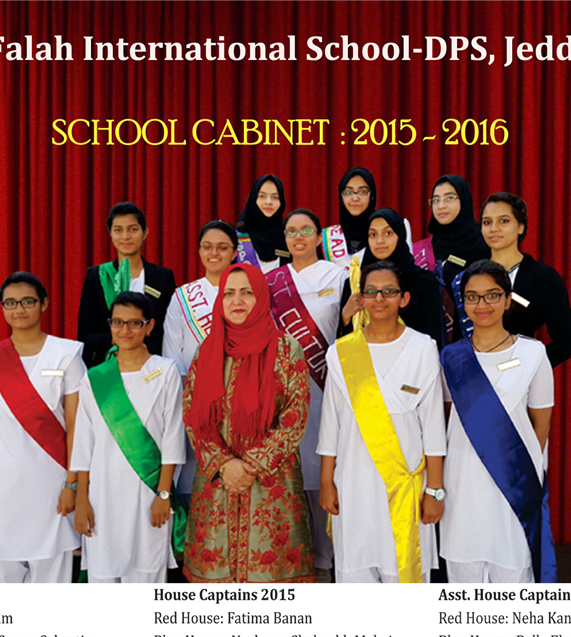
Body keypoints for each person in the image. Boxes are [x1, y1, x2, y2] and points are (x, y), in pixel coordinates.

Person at [183, 264, 314, 583]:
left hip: (271, 485)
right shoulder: (206, 351)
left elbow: (295, 416)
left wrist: (249, 467)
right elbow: (193, 415)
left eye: (247, 293)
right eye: (228, 293)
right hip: (218, 484)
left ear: (262, 298)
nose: (237, 301)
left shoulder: (286, 349)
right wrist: (224, 465)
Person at [318, 262, 446, 583]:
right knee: (356, 574)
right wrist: (326, 482)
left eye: (389, 291)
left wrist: (435, 489)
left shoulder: (423, 348)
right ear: (360, 298)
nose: (379, 299)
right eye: (371, 292)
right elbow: (331, 423)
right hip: (353, 482)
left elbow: (433, 425)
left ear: (404, 298)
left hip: (405, 484)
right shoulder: (341, 352)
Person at [0, 272, 83, 583]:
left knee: (51, 580)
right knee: (1, 579)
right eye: (11, 303)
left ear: (44, 304)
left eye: (28, 301)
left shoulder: (67, 355)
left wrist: (72, 485)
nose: (19, 309)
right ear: (2, 307)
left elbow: (76, 425)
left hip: (52, 482)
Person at [440, 260, 555, 583]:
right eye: (473, 297)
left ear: (507, 300)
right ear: (463, 303)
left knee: (514, 576)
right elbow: (447, 420)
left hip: (515, 485)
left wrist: (517, 469)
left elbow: (541, 423)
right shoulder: (450, 357)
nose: (482, 304)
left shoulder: (534, 354)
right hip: (463, 483)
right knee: (464, 580)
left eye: (492, 295)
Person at [71, 292, 185, 583]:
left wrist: (163, 495)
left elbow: (173, 438)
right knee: (103, 577)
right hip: (102, 497)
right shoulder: (95, 378)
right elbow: (84, 444)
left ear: (149, 326)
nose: (125, 330)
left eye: (135, 323)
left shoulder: (165, 372)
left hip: (148, 494)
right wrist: (81, 499)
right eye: (118, 322)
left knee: (146, 576)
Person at [266, 208, 349, 581]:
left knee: (326, 470)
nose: (298, 237)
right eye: (291, 231)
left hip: (329, 386)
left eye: (306, 230)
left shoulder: (340, 275)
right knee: (292, 475)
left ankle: (327, 562)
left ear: (319, 236)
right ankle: (293, 561)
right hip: (285, 392)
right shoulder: (271, 282)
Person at [162, 220, 238, 503]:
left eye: (222, 247)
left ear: (235, 252)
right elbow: (173, 355)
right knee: (197, 485)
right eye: (207, 247)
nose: (214, 253)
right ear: (199, 251)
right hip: (195, 404)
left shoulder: (248, 293)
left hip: (240, 403)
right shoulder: (183, 297)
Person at [474, 192, 571, 367]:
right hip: (471, 377)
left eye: (503, 221)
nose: (494, 228)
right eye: (487, 222)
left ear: (520, 227)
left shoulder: (544, 278)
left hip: (520, 378)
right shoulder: (469, 275)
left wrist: (520, 366)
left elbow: (566, 343)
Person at [77, 201, 176, 366]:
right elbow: (86, 335)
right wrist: (120, 339)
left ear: (145, 233)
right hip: (108, 367)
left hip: (151, 365)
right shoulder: (97, 276)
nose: (125, 236)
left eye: (133, 229)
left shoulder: (162, 277)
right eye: (118, 230)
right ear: (110, 234)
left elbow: (169, 331)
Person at [339, 208, 445, 346]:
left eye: (388, 233)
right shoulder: (355, 283)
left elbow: (434, 340)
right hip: (364, 358)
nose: (380, 241)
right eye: (373, 234)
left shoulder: (424, 282)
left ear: (400, 235)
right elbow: (343, 345)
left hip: (412, 358)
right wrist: (345, 317)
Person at [321, 167, 377, 267]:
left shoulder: (384, 234)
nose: (355, 198)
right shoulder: (326, 239)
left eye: (363, 191)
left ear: (372, 196)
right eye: (348, 192)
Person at [235, 175, 290, 273]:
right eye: (262, 196)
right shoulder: (239, 235)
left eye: (275, 197)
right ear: (253, 199)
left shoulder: (289, 234)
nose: (268, 202)